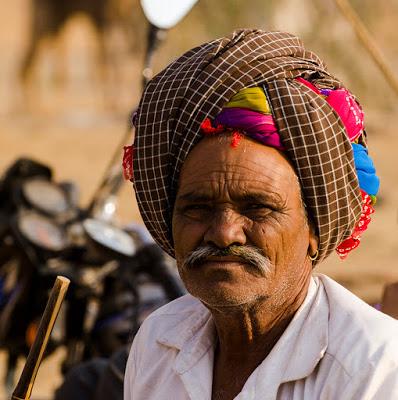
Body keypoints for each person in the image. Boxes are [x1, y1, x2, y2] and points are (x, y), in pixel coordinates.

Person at [123, 30, 398, 399]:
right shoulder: (158, 341)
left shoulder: (373, 367)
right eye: (197, 208)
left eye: (257, 208)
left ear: (313, 229)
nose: (224, 233)